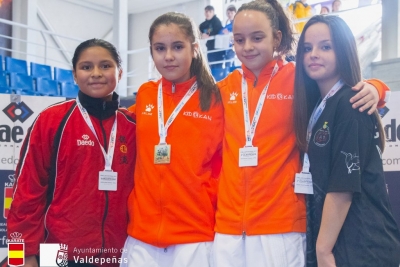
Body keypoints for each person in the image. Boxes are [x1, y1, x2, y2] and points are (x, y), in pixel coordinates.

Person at [213, 0, 390, 266]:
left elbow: (340, 87)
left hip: (281, 223)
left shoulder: (299, 78)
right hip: (228, 227)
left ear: (277, 38)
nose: (247, 47)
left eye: (257, 38)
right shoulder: (223, 88)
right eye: (239, 39)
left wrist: (377, 88)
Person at [7, 39, 136, 267]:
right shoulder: (51, 121)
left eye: (105, 66)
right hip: (58, 252)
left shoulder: (133, 126)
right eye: (86, 67)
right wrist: (21, 256)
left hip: (120, 254)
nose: (96, 73)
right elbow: (26, 193)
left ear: (120, 72)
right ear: (75, 75)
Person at [293, 15, 400, 267]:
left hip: (362, 244)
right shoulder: (319, 104)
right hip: (339, 239)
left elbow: (342, 187)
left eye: (325, 47)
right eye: (307, 48)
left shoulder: (351, 103)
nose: (314, 54)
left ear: (343, 50)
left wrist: (323, 250)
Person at [121, 12, 223, 267]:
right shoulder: (145, 95)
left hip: (195, 235)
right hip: (142, 235)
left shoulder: (216, 100)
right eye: (160, 48)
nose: (168, 56)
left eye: (177, 47)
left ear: (195, 48)